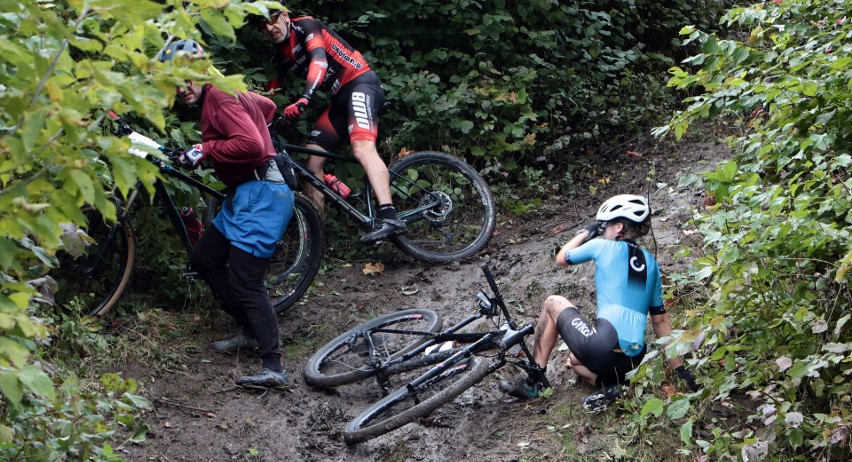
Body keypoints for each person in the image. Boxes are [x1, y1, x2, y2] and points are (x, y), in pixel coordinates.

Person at [157, 39, 293, 388]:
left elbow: (251, 145)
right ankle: (250, 330)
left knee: (246, 279)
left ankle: (273, 366)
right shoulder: (227, 91)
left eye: (186, 78)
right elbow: (266, 106)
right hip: (245, 194)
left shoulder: (218, 94)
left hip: (262, 193)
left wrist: (206, 147)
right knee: (206, 258)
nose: (181, 88)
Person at [500, 194, 699, 411]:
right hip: (633, 360)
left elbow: (561, 258)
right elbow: (660, 322)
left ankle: (533, 382)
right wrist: (681, 371)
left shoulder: (603, 246)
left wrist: (587, 231)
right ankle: (613, 386)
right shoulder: (651, 264)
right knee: (574, 360)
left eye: (606, 226)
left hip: (605, 345)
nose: (603, 230)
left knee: (552, 302)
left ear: (619, 227)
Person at [250, 8, 404, 242]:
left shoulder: (306, 26)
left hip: (360, 83)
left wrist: (304, 98)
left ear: (284, 14)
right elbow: (270, 93)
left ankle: (390, 216)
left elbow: (319, 61)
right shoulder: (281, 54)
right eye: (262, 25)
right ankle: (317, 243)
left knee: (362, 148)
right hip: (340, 100)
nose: (269, 28)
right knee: (311, 165)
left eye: (271, 19)